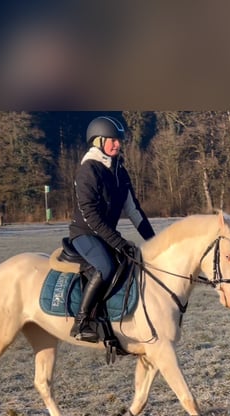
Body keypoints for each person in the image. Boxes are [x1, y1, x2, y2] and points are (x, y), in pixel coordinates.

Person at [69, 115, 156, 342]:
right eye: (112, 140)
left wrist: (154, 241)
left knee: (132, 262)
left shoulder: (120, 172)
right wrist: (118, 242)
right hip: (85, 233)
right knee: (105, 268)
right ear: (98, 142)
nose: (118, 144)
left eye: (119, 140)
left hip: (105, 235)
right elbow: (91, 217)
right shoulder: (88, 171)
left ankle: (114, 321)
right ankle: (82, 322)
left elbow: (134, 211)